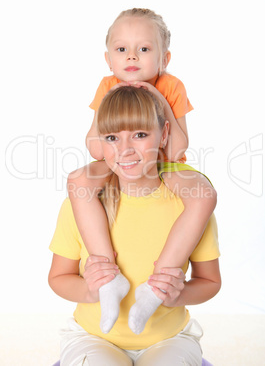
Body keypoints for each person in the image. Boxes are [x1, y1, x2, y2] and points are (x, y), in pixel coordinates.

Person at [67, 8, 217, 334]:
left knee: (203, 194)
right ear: (109, 59)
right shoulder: (108, 85)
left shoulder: (170, 85)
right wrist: (112, 117)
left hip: (162, 164)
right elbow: (96, 147)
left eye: (144, 49)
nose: (132, 56)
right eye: (122, 49)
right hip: (119, 163)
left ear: (164, 58)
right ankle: (108, 278)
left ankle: (156, 285)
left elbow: (175, 149)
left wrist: (159, 100)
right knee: (78, 181)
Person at [49, 86, 221, 366]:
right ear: (101, 143)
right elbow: (58, 277)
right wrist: (89, 291)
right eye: (112, 138)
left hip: (168, 338)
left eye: (140, 135)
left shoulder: (188, 208)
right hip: (94, 337)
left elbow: (211, 281)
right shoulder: (83, 204)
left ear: (164, 134)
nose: (125, 149)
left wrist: (180, 295)